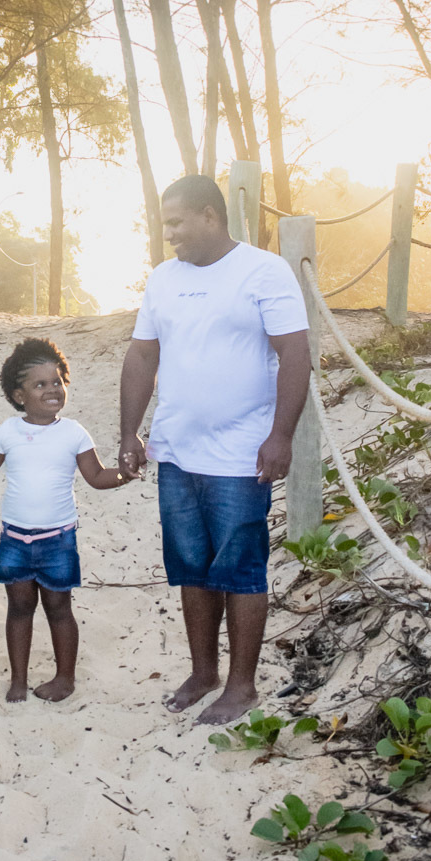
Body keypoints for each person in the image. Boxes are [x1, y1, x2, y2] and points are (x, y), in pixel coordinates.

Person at [119, 175, 311, 726]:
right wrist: (130, 433)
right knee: (191, 568)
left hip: (240, 454)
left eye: (176, 223)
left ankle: (241, 685)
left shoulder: (262, 271)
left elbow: (295, 354)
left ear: (209, 215)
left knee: (241, 569)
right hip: (177, 450)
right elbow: (140, 357)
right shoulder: (162, 280)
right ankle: (203, 672)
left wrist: (281, 435)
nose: (170, 234)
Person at [0, 338, 131, 703]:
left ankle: (65, 678)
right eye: (40, 384)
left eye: (57, 382)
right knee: (18, 609)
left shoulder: (75, 433)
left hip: (58, 540)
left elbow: (96, 477)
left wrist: (124, 474)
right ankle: (18, 680)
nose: (52, 389)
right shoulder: (7, 432)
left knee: (59, 610)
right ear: (19, 396)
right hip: (14, 540)